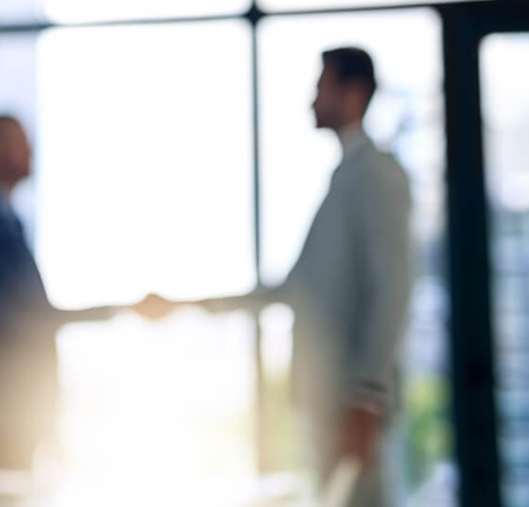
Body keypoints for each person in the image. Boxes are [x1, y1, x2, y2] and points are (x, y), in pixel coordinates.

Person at [163, 47, 413, 506]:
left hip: (352, 405)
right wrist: (185, 305)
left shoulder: (377, 175)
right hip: (330, 401)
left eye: (321, 87)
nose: (311, 101)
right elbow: (292, 289)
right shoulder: (344, 179)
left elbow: (393, 288)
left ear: (352, 93)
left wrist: (368, 397)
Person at [0, 115, 164, 470]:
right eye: (19, 141)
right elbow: (23, 318)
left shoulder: (8, 222)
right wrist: (123, 310)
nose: (30, 150)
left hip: (20, 404)